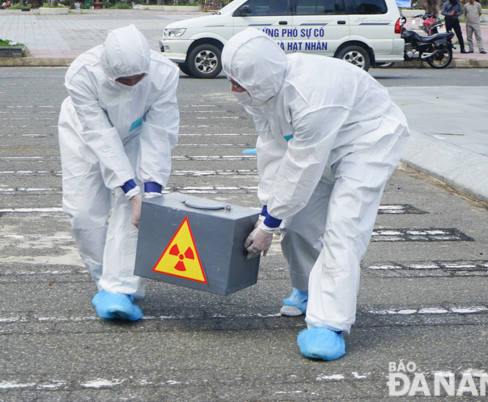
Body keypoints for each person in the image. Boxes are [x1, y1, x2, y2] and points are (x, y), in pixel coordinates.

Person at [222, 29, 409, 361]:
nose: (233, 89)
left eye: (239, 83)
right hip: (321, 145)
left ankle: (329, 323)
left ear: (260, 78)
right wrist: (269, 209)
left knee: (343, 227)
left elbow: (301, 164)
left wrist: (268, 225)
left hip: (368, 141)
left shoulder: (311, 95)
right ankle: (309, 289)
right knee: (296, 225)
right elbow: (271, 145)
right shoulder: (258, 90)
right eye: (232, 80)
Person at [58, 25, 180, 321]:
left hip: (137, 135)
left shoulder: (164, 73)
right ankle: (105, 283)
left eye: (138, 78)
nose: (132, 83)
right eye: (123, 79)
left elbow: (160, 133)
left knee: (135, 211)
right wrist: (130, 188)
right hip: (84, 135)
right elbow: (101, 136)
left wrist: (148, 192)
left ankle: (121, 288)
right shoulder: (82, 73)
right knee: (83, 212)